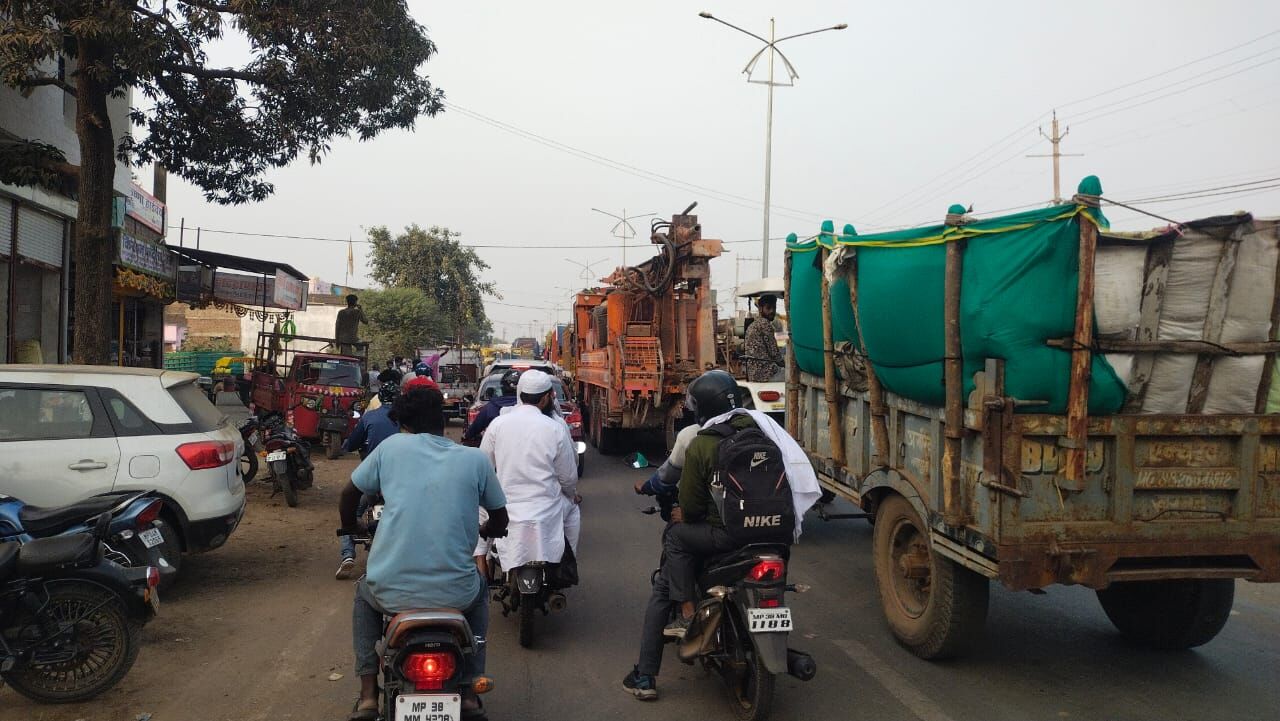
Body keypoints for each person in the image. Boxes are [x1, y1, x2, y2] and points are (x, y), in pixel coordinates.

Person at [621, 369, 820, 701]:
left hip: (727, 538)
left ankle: (653, 663)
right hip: (775, 537)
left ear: (702, 407)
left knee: (673, 545)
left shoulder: (701, 442)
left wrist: (684, 513)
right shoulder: (768, 432)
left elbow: (692, 507)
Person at [340, 384, 508, 721]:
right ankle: (472, 688)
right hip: (455, 594)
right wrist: (489, 530)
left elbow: (348, 496)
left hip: (390, 591)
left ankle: (368, 693)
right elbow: (500, 516)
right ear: (442, 421)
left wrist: (353, 527)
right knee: (479, 596)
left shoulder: (390, 449)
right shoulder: (474, 459)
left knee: (363, 596)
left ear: (404, 424)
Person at [480, 370, 580, 582]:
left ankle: (484, 563)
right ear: (546, 398)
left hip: (505, 510)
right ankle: (565, 569)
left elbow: (483, 468)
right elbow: (568, 478)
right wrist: (571, 496)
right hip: (545, 511)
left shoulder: (498, 424)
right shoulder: (555, 428)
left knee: (480, 518)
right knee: (573, 512)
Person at [335, 381, 401, 580]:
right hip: (401, 479)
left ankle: (348, 554)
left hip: (375, 479)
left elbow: (353, 442)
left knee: (354, 510)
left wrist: (348, 445)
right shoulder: (406, 421)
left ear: (379, 398)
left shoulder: (370, 416)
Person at [462, 369, 521, 443]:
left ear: (503, 387)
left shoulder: (490, 408)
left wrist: (467, 436)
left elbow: (475, 428)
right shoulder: (531, 409)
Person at [743, 294, 785, 382]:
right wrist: (786, 364)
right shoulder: (765, 324)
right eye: (768, 308)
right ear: (761, 309)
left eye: (774, 308)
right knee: (794, 375)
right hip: (767, 373)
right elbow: (775, 354)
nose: (772, 311)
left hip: (754, 374)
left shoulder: (754, 324)